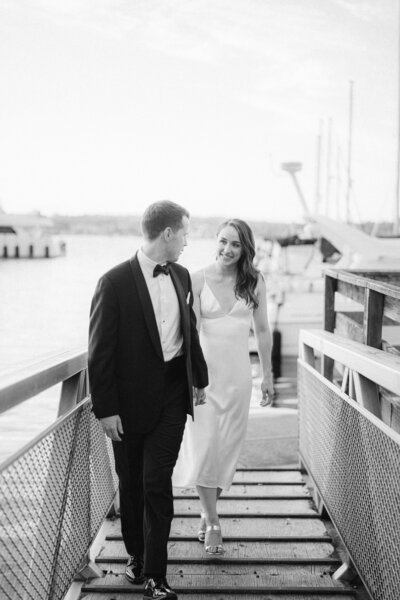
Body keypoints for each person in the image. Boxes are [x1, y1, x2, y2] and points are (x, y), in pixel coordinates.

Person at [88, 200, 208, 600]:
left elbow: (188, 330)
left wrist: (200, 377)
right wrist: (105, 409)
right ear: (168, 233)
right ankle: (136, 555)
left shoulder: (184, 276)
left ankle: (157, 576)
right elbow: (99, 352)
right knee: (132, 483)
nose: (188, 242)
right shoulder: (113, 282)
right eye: (186, 233)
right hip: (128, 403)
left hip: (173, 395)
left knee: (157, 482)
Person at [173, 218, 274, 555]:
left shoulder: (254, 281)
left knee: (227, 451)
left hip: (239, 380)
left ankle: (206, 510)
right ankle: (213, 520)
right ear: (214, 241)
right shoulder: (197, 279)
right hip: (205, 380)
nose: (227, 250)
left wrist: (268, 376)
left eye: (235, 244)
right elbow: (191, 335)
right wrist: (191, 379)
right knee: (204, 447)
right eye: (223, 242)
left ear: (245, 249)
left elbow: (262, 332)